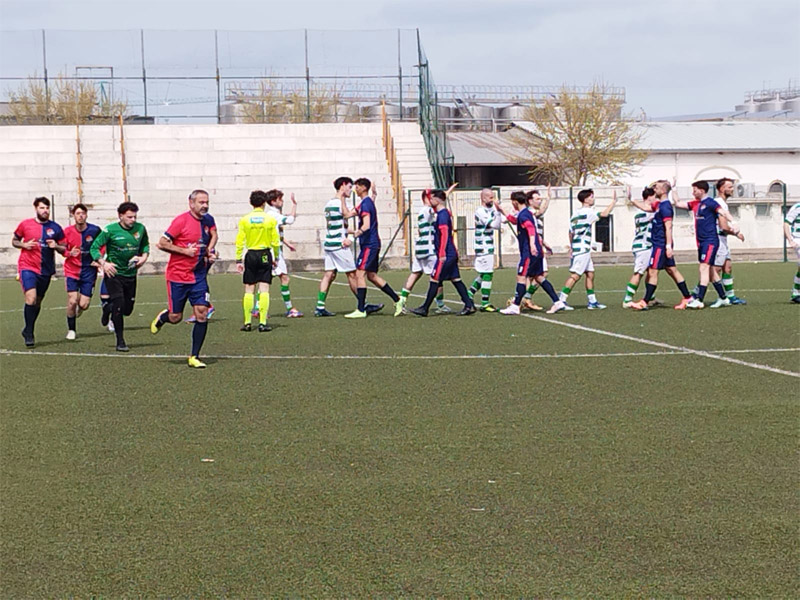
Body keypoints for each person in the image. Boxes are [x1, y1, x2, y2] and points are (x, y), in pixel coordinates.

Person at [150, 189, 217, 368]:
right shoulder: (181, 221)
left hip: (198, 276)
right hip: (178, 276)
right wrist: (185, 251)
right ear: (191, 203)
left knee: (202, 313)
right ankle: (164, 317)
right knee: (175, 317)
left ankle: (194, 356)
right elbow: (162, 243)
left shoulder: (208, 220)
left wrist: (210, 250)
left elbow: (214, 235)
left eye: (207, 202)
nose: (205, 206)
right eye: (201, 202)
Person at [89, 201, 150, 351]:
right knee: (119, 304)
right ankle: (120, 341)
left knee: (127, 309)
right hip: (114, 273)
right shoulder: (110, 230)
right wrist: (104, 263)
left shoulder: (140, 229)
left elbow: (145, 246)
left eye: (135, 217)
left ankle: (107, 308)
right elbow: (94, 247)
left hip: (131, 274)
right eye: (129, 217)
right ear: (120, 216)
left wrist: (143, 258)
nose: (133, 220)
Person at [673, 181, 742, 308]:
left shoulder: (710, 203)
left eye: (695, 190)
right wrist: (674, 188)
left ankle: (699, 300)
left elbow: (724, 213)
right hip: (701, 242)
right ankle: (723, 298)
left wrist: (734, 222)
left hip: (710, 241)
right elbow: (677, 203)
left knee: (703, 268)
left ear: (702, 190)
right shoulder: (694, 204)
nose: (693, 192)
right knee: (711, 271)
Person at [409, 189, 476, 316]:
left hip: (446, 254)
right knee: (456, 279)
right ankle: (469, 305)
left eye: (432, 198)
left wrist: (442, 253)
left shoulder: (443, 215)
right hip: (450, 253)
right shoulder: (441, 213)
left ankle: (424, 308)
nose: (430, 200)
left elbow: (445, 234)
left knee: (434, 279)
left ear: (438, 200)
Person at [341, 178, 401, 319]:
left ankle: (361, 309)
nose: (355, 188)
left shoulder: (366, 204)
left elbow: (366, 225)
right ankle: (398, 300)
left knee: (359, 273)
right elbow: (347, 214)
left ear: (363, 187)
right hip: (370, 244)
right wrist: (342, 197)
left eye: (357, 186)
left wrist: (355, 235)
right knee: (372, 276)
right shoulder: (365, 203)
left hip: (370, 244)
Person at [629, 180, 693, 311]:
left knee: (653, 271)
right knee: (672, 270)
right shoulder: (658, 205)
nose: (654, 190)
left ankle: (645, 301)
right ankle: (687, 297)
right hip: (660, 243)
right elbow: (646, 207)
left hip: (661, 244)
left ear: (663, 190)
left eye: (657, 188)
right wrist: (631, 199)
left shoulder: (665, 207)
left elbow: (668, 226)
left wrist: (668, 246)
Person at [496, 191, 563, 315]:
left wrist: (532, 244)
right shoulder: (525, 213)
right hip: (536, 250)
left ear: (515, 202)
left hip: (529, 252)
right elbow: (514, 221)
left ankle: (515, 306)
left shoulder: (524, 215)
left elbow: (530, 229)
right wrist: (501, 210)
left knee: (521, 276)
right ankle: (557, 302)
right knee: (539, 277)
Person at [12, 196, 66, 347]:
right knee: (31, 298)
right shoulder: (25, 225)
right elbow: (14, 241)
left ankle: (28, 328)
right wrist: (23, 245)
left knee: (37, 301)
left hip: (46, 270)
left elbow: (64, 249)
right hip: (27, 267)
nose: (45, 211)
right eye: (42, 208)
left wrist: (55, 246)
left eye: (47, 208)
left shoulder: (55, 228)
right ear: (36, 208)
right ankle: (29, 332)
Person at [395, 187, 454, 316]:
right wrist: (444, 196)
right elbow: (440, 209)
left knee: (415, 274)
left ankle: (401, 300)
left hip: (420, 249)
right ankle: (440, 304)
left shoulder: (422, 211)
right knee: (436, 277)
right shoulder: (428, 211)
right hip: (429, 249)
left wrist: (446, 194)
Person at [555, 188, 617, 310]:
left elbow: (570, 232)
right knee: (575, 275)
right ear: (586, 199)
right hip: (583, 249)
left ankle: (592, 301)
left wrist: (572, 246)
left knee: (590, 274)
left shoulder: (575, 214)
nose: (593, 199)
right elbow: (604, 214)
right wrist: (613, 202)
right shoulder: (588, 212)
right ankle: (561, 300)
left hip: (579, 248)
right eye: (591, 197)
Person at [235, 190, 281, 332]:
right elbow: (275, 241)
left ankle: (248, 322)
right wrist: (276, 257)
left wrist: (238, 259)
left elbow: (240, 240)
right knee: (264, 288)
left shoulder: (244, 219)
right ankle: (262, 322)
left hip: (251, 254)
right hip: (265, 254)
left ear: (251, 203)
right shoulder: (270, 220)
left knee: (249, 289)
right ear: (264, 203)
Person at [62, 203, 101, 340]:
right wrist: (68, 253)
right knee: (72, 301)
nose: (80, 216)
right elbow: (62, 249)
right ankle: (71, 330)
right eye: (78, 213)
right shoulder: (67, 231)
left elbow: (102, 245)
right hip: (72, 270)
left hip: (89, 271)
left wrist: (99, 259)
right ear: (73, 215)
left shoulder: (95, 230)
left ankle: (78, 309)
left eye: (83, 213)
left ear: (86, 215)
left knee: (84, 304)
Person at [263, 188, 303, 317]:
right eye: (280, 199)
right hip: (274, 252)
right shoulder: (273, 215)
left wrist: (287, 243)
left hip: (272, 250)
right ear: (273, 201)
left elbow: (274, 233)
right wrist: (295, 205)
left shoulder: (271, 214)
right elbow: (290, 220)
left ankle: (258, 308)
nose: (282, 201)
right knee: (283, 278)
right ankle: (289, 308)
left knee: (268, 279)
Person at [467, 188, 503, 312]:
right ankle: (485, 302)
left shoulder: (490, 210)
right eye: (490, 197)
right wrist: (499, 213)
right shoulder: (480, 211)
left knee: (484, 273)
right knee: (488, 273)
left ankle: (469, 294)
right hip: (483, 246)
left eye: (493, 197)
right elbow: (495, 225)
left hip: (488, 246)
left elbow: (501, 221)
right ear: (483, 198)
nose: (492, 199)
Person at [712, 177, 747, 305]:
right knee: (714, 270)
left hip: (722, 240)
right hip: (717, 239)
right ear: (722, 189)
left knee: (727, 267)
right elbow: (723, 226)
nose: (732, 189)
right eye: (730, 187)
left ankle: (730, 296)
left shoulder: (722, 203)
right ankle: (696, 294)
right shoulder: (719, 203)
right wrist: (736, 233)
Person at [518, 187, 552, 311]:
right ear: (530, 201)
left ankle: (525, 299)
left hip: (537, 246)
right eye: (538, 199)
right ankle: (524, 299)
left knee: (533, 275)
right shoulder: (530, 213)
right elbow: (541, 210)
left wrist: (544, 243)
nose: (540, 201)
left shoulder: (533, 214)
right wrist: (548, 198)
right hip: (533, 249)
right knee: (534, 275)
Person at [622, 187, 657, 307]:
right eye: (654, 197)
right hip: (643, 246)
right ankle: (627, 299)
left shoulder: (645, 212)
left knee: (650, 271)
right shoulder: (645, 212)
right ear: (649, 197)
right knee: (639, 272)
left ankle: (650, 297)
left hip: (647, 246)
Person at [784, 201, 800, 303]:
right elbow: (786, 223)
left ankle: (796, 293)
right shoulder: (797, 207)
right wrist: (790, 239)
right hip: (798, 238)